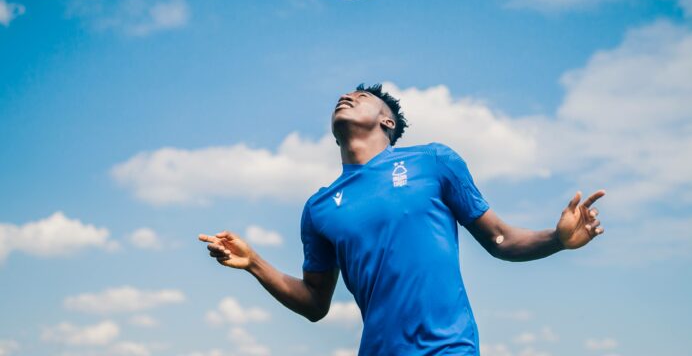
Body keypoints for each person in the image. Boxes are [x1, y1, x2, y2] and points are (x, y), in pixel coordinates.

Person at [199, 83, 605, 355]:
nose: (346, 96)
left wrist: (556, 238)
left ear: (387, 122)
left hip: (448, 348)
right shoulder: (319, 207)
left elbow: (500, 240)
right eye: (343, 95)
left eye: (359, 96)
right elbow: (314, 303)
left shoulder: (433, 161)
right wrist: (254, 263)